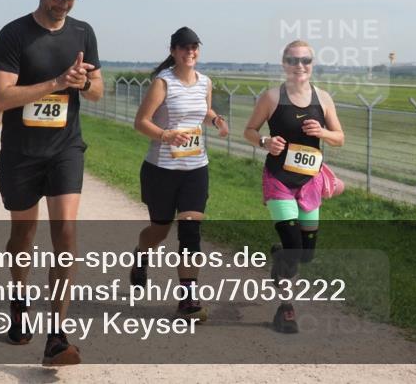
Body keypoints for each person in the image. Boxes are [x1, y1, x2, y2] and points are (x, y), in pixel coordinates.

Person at [0, 0, 103, 366]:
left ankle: (57, 335)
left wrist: (83, 82)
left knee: (66, 237)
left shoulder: (82, 33)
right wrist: (56, 83)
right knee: (23, 239)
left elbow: (97, 91)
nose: (64, 3)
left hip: (65, 149)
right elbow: (1, 98)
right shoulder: (15, 34)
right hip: (21, 153)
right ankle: (19, 300)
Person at [243, 40, 344, 334]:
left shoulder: (323, 99)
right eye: (293, 60)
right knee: (293, 245)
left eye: (305, 60)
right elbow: (249, 131)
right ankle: (286, 309)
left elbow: (340, 137)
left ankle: (280, 257)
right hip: (279, 180)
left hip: (309, 183)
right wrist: (264, 142)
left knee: (306, 253)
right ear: (284, 64)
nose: (299, 66)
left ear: (312, 64)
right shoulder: (272, 97)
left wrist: (323, 131)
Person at [131, 27, 228, 323]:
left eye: (194, 47)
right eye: (184, 48)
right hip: (161, 170)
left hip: (196, 169)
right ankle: (141, 254)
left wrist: (216, 119)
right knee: (159, 231)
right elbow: (141, 122)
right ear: (173, 51)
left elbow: (205, 110)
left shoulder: (205, 82)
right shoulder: (163, 83)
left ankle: (188, 300)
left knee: (190, 231)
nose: (190, 52)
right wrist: (165, 135)